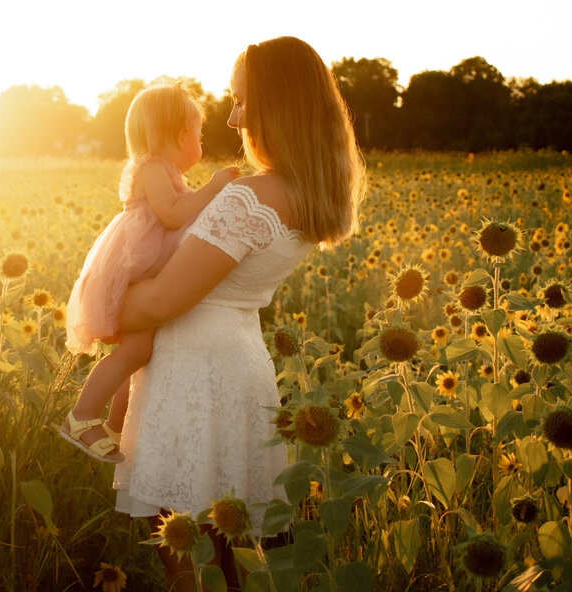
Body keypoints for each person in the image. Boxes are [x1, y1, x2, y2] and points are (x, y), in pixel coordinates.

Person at [113, 37, 366, 589]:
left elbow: (163, 301)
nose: (232, 119)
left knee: (187, 551)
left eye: (242, 101)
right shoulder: (304, 192)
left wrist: (98, 301)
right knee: (236, 549)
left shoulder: (249, 197)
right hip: (240, 363)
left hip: (193, 370)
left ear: (280, 105)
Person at [60, 84, 240, 463]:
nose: (201, 139)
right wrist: (214, 187)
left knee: (141, 351)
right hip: (134, 271)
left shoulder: (164, 170)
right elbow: (173, 215)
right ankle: (81, 416)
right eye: (199, 132)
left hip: (144, 272)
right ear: (180, 135)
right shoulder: (153, 168)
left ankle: (113, 424)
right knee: (135, 350)